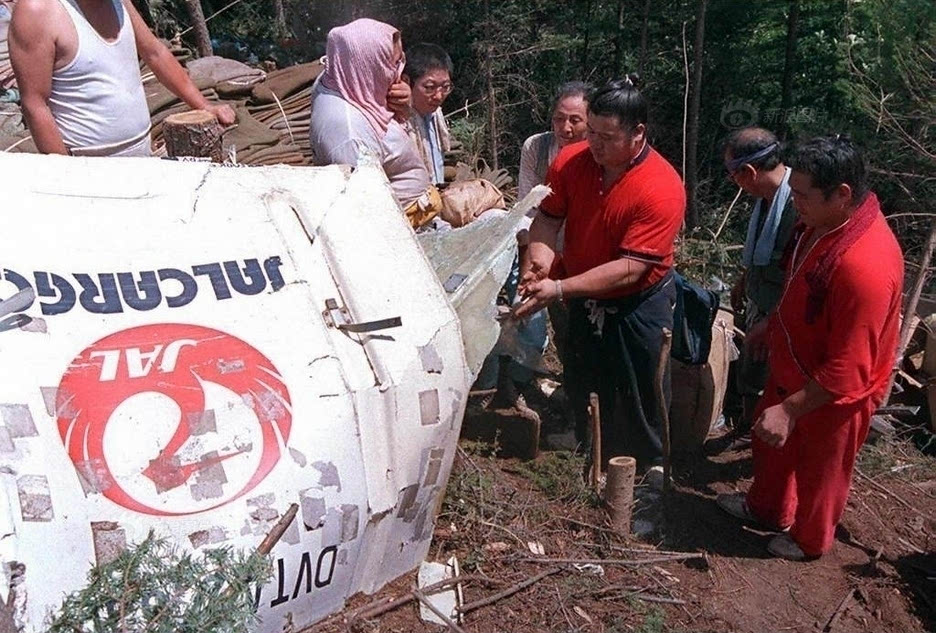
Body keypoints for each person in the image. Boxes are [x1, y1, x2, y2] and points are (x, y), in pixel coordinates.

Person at [717, 136, 903, 561]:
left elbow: (850, 368)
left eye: (801, 195)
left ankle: (809, 540)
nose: (792, 201)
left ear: (842, 195)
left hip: (831, 394)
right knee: (769, 445)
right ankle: (766, 509)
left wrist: (791, 409)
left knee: (822, 472)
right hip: (792, 366)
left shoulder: (864, 266)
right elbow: (800, 278)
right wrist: (773, 322)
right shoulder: (823, 224)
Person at [514, 77, 685, 485]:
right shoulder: (572, 161)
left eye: (607, 137)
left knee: (641, 384)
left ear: (638, 132)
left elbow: (632, 267)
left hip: (639, 299)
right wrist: (539, 261)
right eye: (591, 132)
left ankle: (650, 466)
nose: (594, 144)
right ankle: (590, 444)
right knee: (583, 370)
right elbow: (550, 216)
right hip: (578, 285)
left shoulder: (661, 187)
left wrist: (558, 288)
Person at [9, 0, 234, 156]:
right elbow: (35, 103)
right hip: (86, 164)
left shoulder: (119, 3)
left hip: (141, 153)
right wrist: (67, 175)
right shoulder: (37, 12)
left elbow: (155, 53)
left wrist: (204, 106)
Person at [309, 18, 441, 228]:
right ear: (368, 65)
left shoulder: (349, 82)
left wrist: (404, 107)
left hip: (417, 216)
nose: (400, 71)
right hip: (397, 231)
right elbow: (364, 211)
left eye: (401, 61)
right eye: (393, 63)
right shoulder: (348, 134)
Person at [724, 127, 798, 436]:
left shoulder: (798, 203)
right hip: (760, 297)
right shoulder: (767, 198)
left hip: (783, 311)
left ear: (749, 171)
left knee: (771, 375)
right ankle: (746, 425)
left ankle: (761, 436)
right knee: (751, 368)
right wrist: (746, 278)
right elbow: (765, 252)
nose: (734, 182)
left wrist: (773, 319)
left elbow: (798, 269)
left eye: (733, 174)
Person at [517, 81, 590, 200]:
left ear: (590, 122)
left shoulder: (599, 154)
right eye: (559, 119)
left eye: (575, 121)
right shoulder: (535, 148)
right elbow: (526, 204)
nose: (565, 128)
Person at [402, 42, 452, 185]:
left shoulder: (436, 117)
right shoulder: (400, 123)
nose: (438, 96)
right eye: (429, 87)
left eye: (445, 87)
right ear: (406, 81)